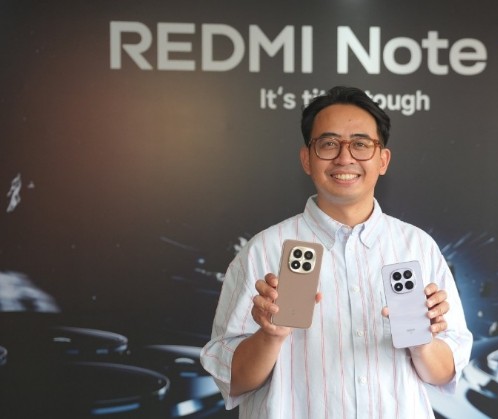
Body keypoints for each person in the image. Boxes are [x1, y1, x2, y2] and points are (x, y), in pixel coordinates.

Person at [201, 86, 473, 419]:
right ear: (307, 159)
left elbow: (444, 373)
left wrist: (422, 342)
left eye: (361, 144)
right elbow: (232, 380)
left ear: (383, 160)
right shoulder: (264, 250)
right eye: (328, 144)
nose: (345, 158)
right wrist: (269, 336)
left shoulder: (418, 247)